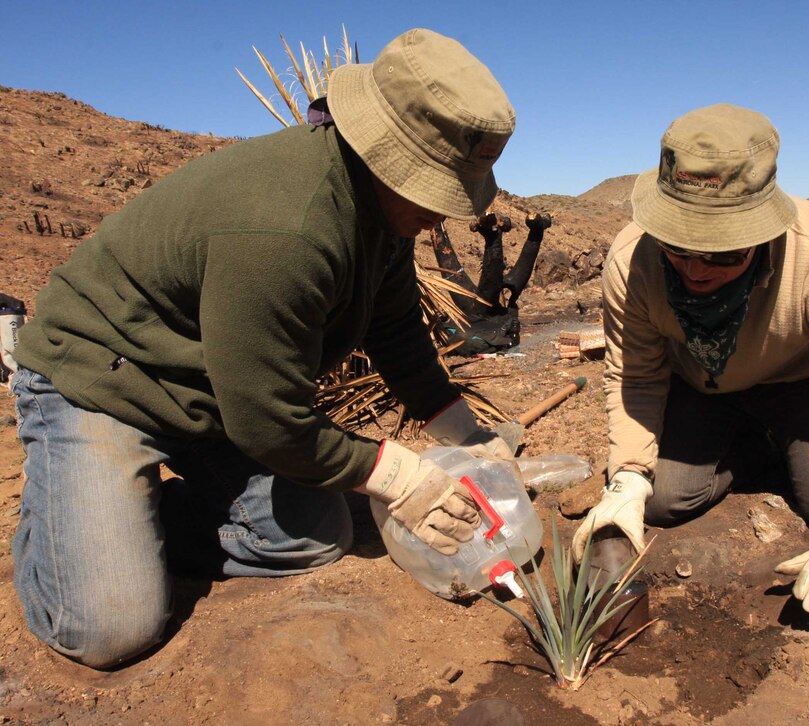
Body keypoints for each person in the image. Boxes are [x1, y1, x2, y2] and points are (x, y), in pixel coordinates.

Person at [10, 28, 516, 669]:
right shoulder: (287, 225)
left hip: (210, 391)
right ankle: (60, 535)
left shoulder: (383, 208)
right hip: (99, 381)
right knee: (113, 629)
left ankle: (126, 525)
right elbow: (267, 419)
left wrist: (467, 436)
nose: (440, 214)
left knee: (313, 538)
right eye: (434, 188)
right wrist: (402, 476)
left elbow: (393, 331)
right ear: (382, 153)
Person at [573, 104, 809, 621]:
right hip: (697, 384)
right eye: (678, 246)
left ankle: (785, 443)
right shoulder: (632, 261)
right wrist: (626, 477)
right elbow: (636, 373)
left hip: (796, 381)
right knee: (661, 501)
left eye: (721, 253)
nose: (694, 268)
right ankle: (750, 445)